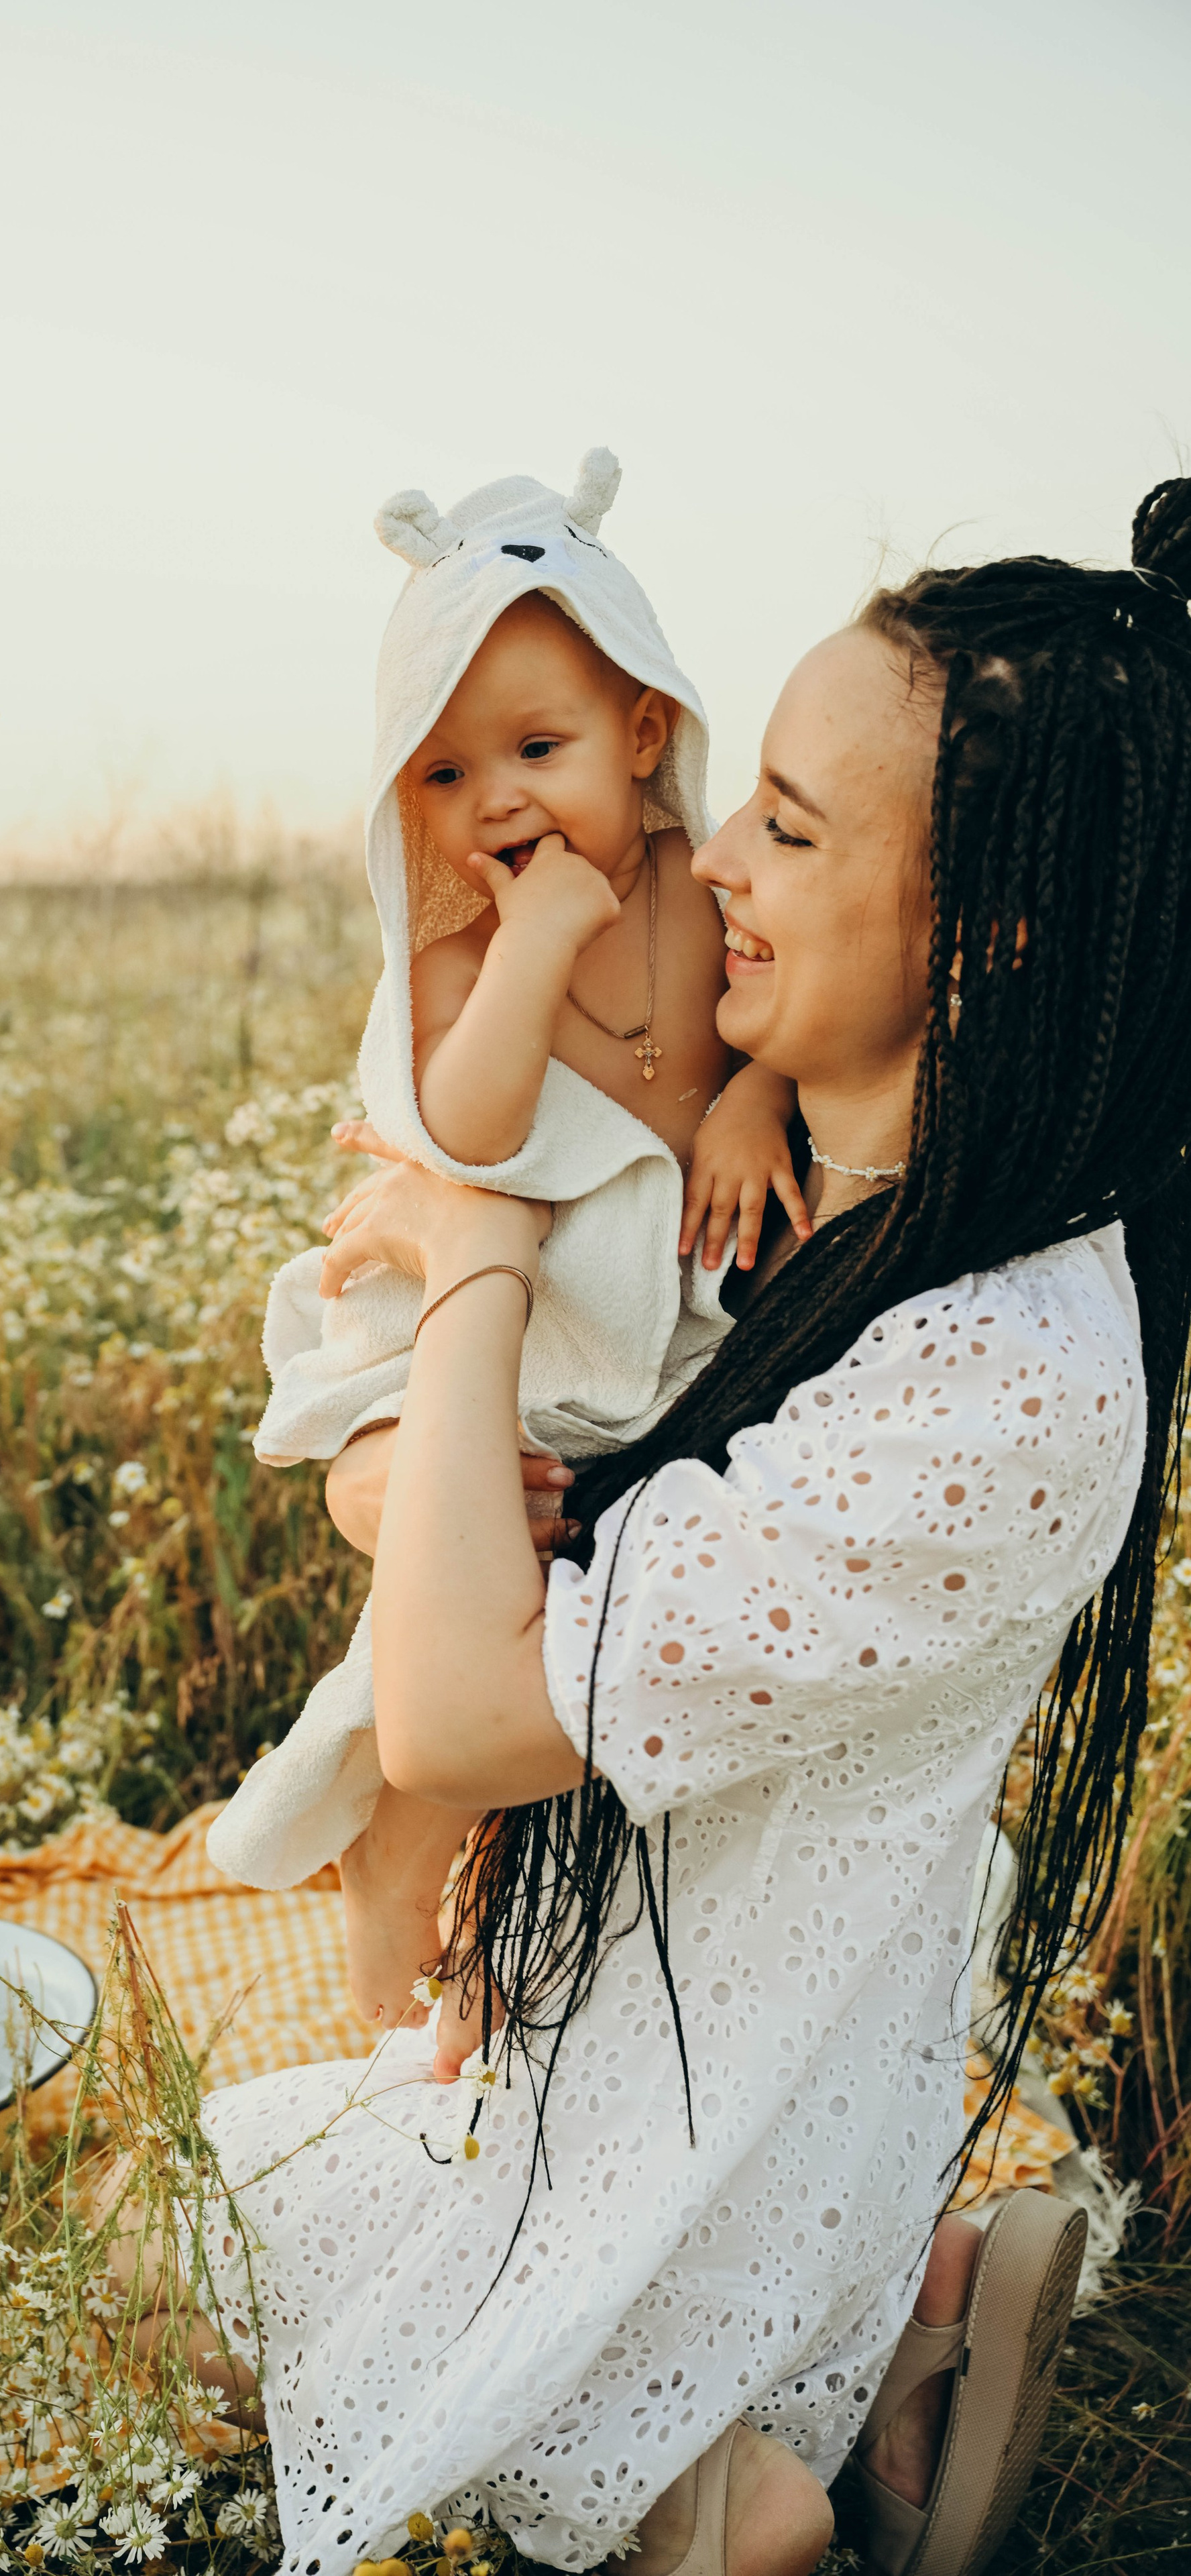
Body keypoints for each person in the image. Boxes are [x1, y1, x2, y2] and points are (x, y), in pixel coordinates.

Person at [183, 478, 1191, 2576]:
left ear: (988, 929)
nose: (707, 853)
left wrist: (472, 1251)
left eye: (794, 830)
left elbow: (461, 1721)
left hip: (700, 2103)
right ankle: (906, 2340)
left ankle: (729, 2464)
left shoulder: (1006, 1379)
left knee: (191, 2289)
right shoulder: (908, 1179)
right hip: (721, 1987)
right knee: (242, 2217)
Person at [208, 451, 801, 1932]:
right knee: (440, 1596)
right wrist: (532, 942)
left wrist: (754, 1097)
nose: (494, 801)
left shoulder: (707, 889)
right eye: (446, 774)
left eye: (536, 748)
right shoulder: (467, 964)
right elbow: (467, 1132)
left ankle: (511, 1896)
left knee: (578, 1645)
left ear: (642, 729)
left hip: (652, 1345)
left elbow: (792, 1006)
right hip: (492, 1348)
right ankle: (386, 1897)